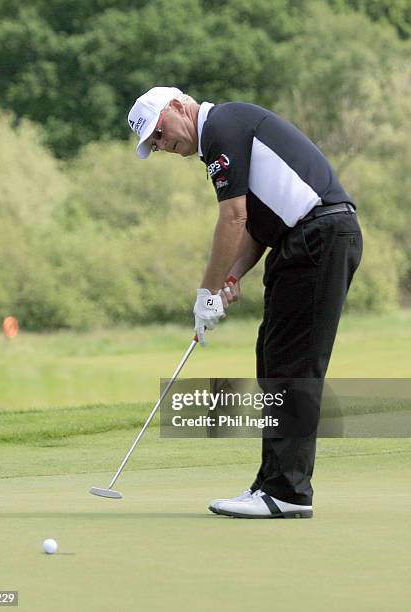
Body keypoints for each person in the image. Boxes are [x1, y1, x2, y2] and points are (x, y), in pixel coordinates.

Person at [128, 86, 362, 519]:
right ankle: (273, 483)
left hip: (319, 235)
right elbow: (253, 224)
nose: (161, 146)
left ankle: (288, 492)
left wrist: (204, 292)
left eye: (158, 133)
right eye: (153, 144)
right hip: (303, 240)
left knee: (292, 366)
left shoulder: (221, 126)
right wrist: (230, 277)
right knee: (274, 358)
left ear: (179, 107)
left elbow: (232, 216)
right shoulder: (224, 135)